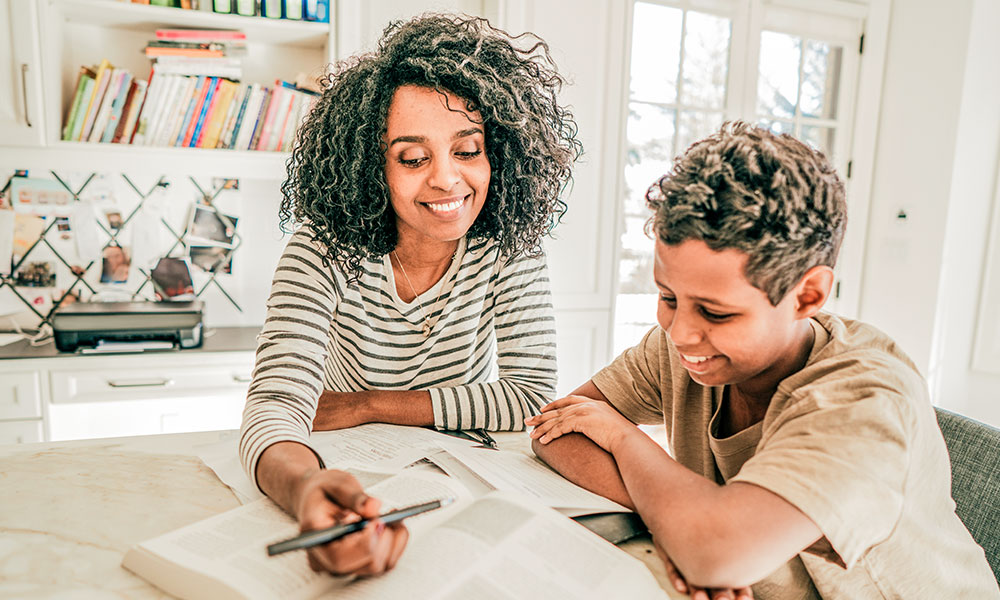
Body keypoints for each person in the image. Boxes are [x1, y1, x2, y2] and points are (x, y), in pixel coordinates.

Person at [527, 122, 999, 599]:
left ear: (807, 295)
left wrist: (626, 441)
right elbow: (555, 429)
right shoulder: (680, 345)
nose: (680, 332)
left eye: (716, 312)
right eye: (668, 296)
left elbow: (715, 554)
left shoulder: (864, 400)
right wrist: (681, 525)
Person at [239, 14, 581, 577]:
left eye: (468, 151)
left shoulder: (509, 245)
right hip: (351, 463)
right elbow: (276, 406)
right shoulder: (322, 248)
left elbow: (529, 395)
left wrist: (368, 403)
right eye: (414, 158)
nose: (447, 180)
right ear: (373, 167)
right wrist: (305, 488)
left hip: (465, 475)